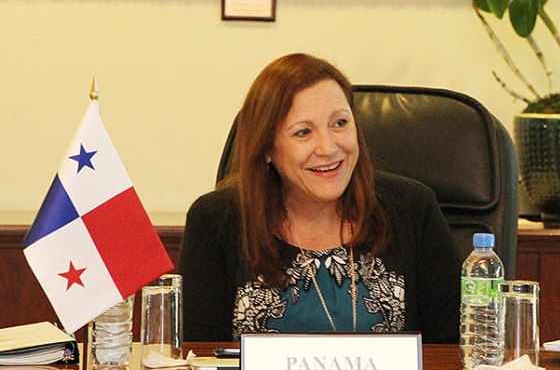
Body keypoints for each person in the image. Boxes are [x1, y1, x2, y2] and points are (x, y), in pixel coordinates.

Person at [178, 53, 461, 343]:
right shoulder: (216, 220)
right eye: (303, 132)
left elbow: (453, 351)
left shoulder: (412, 208)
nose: (328, 148)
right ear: (267, 148)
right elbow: (198, 356)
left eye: (340, 123)